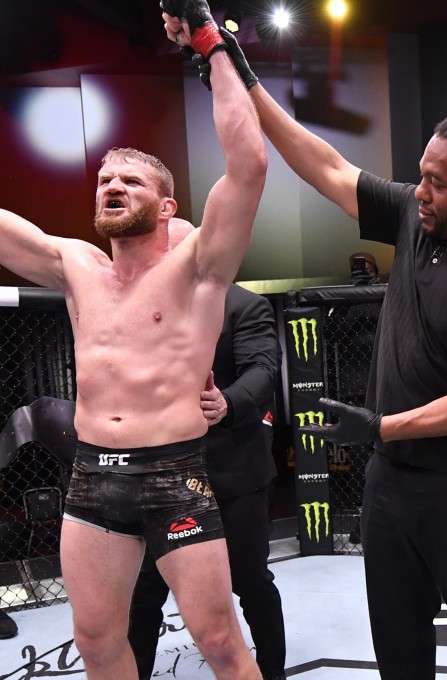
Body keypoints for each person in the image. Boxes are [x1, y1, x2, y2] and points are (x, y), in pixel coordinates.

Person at [204, 28, 447, 680]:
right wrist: (234, 69)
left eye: (437, 182)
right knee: (398, 650)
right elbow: (324, 165)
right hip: (391, 483)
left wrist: (382, 426)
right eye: (420, 177)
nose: (420, 191)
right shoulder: (415, 216)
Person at [0, 0, 267, 676]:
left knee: (218, 641)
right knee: (95, 641)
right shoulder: (74, 266)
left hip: (175, 475)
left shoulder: (200, 266)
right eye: (105, 180)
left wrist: (209, 42)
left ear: (167, 205)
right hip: (92, 479)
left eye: (131, 180)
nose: (112, 185)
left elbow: (250, 165)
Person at [128, 222, 285, 680]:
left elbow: (262, 369)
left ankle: (272, 674)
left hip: (232, 471)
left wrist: (228, 402)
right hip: (158, 476)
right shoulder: (142, 310)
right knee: (145, 589)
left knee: (250, 581)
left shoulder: (242, 305)